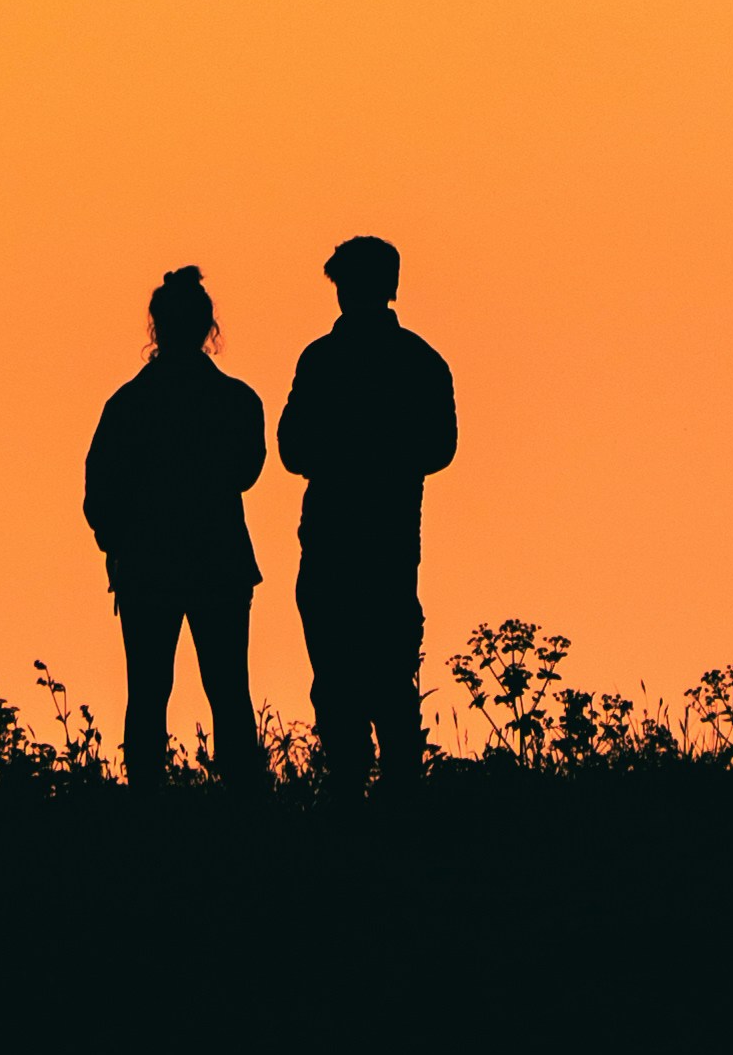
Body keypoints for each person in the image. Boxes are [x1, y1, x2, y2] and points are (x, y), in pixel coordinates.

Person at [277, 234, 459, 789]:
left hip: (335, 541)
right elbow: (440, 448)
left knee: (337, 676)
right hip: (390, 541)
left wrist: (340, 454)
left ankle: (349, 795)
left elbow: (291, 448)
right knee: (389, 676)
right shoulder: (421, 361)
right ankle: (399, 795)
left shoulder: (322, 359)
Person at [80, 267, 269, 789]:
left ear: (156, 328)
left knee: (146, 693)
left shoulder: (127, 405)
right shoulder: (236, 401)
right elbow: (247, 472)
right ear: (208, 327)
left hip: (148, 568)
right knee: (230, 690)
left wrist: (118, 545)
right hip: (219, 565)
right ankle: (243, 808)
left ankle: (146, 811)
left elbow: (98, 494)